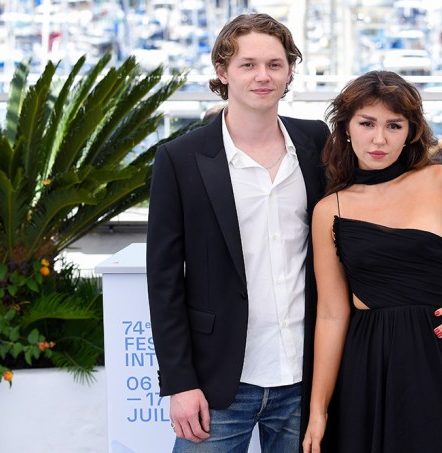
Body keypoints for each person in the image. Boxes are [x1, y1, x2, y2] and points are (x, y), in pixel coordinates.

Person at [302, 71, 442, 452]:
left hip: (439, 358)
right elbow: (332, 315)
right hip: (366, 366)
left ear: (411, 132)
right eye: (367, 123)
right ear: (346, 128)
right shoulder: (329, 209)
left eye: (394, 125)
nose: (379, 139)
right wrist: (318, 409)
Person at [146, 13, 330, 452]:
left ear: (289, 72)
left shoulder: (316, 143)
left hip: (306, 378)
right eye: (248, 64)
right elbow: (164, 279)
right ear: (223, 72)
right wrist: (180, 383)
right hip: (217, 383)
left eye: (275, 64)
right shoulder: (180, 158)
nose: (262, 76)